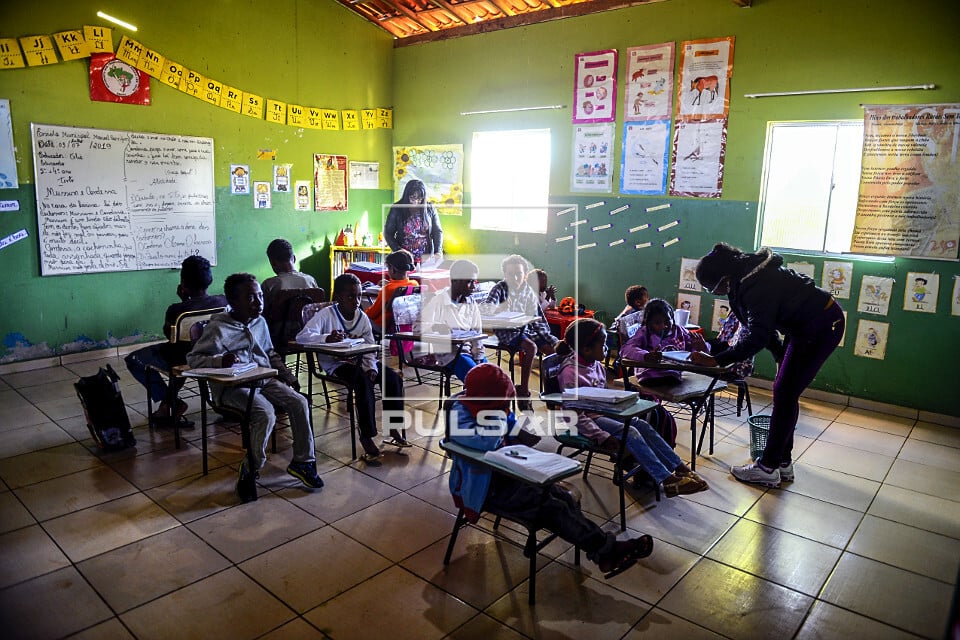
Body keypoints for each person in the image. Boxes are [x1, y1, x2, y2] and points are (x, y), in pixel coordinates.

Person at [448, 363, 654, 578]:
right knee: (553, 509)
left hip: (511, 474)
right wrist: (499, 417)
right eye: (503, 402)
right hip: (487, 488)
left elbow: (508, 426)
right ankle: (606, 550)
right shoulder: (460, 415)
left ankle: (602, 551)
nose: (506, 407)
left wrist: (519, 432)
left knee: (563, 498)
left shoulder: (490, 405)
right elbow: (486, 442)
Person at [691, 243, 845, 488]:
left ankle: (768, 467)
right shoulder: (743, 280)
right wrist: (778, 355)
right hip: (805, 327)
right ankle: (782, 462)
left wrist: (717, 360)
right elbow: (763, 327)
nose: (714, 293)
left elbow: (758, 336)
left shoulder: (756, 283)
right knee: (785, 393)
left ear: (724, 278)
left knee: (784, 394)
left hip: (821, 326)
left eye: (712, 288)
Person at [186, 273, 323, 503]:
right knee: (265, 413)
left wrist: (287, 376)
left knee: (299, 402)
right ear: (233, 302)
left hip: (263, 379)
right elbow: (194, 359)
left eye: (260, 296)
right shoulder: (218, 327)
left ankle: (303, 462)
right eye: (250, 298)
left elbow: (269, 353)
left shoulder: (260, 321)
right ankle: (250, 468)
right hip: (233, 388)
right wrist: (220, 360)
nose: (259, 302)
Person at [556, 319, 708, 496]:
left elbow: (602, 395)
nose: (606, 349)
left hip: (600, 413)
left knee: (641, 424)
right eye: (603, 344)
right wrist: (602, 436)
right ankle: (667, 480)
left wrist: (621, 403)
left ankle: (680, 468)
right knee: (631, 432)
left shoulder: (594, 364)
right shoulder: (570, 373)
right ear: (586, 349)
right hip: (584, 421)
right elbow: (572, 415)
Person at [296, 273, 408, 462]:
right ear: (338, 297)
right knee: (362, 383)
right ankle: (367, 434)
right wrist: (326, 338)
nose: (356, 301)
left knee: (392, 378)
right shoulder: (327, 315)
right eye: (350, 296)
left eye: (358, 296)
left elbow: (370, 346)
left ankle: (393, 426)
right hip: (337, 364)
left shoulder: (361, 317)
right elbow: (302, 336)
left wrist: (371, 366)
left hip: (361, 361)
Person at [125, 256, 227, 428]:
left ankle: (170, 403)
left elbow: (170, 337)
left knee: (134, 359)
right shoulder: (223, 302)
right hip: (215, 354)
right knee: (183, 353)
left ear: (183, 283)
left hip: (183, 359)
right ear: (210, 279)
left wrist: (184, 302)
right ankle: (167, 405)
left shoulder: (177, 310)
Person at [484, 254, 558, 409]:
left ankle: (553, 394)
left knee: (552, 352)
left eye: (519, 274)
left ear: (525, 275)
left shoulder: (528, 291)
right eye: (510, 274)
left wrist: (552, 340)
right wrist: (499, 308)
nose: (515, 278)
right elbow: (487, 308)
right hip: (507, 330)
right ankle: (523, 391)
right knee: (531, 347)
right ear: (504, 275)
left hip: (528, 329)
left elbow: (538, 319)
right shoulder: (500, 288)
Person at [417, 259, 486, 382]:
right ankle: (465, 399)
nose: (474, 287)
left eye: (474, 282)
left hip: (470, 351)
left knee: (493, 377)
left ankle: (468, 397)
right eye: (469, 282)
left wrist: (478, 356)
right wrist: (435, 327)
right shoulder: (437, 301)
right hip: (450, 355)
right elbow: (418, 328)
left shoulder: (471, 302)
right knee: (478, 381)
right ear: (455, 280)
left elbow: (477, 332)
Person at [619, 298, 710, 385]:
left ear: (672, 318)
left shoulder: (680, 332)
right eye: (657, 323)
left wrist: (701, 348)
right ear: (649, 323)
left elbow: (698, 350)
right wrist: (646, 356)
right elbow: (625, 350)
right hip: (649, 376)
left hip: (674, 376)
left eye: (667, 321)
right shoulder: (645, 333)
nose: (664, 326)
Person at [383, 179, 443, 262]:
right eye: (412, 198)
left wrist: (438, 251)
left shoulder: (430, 208)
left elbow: (437, 231)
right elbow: (388, 233)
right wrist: (397, 249)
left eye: (419, 199)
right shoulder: (397, 208)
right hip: (404, 258)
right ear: (406, 196)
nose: (416, 202)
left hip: (426, 258)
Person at [364, 249, 418, 334]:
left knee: (359, 316)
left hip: (382, 326)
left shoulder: (388, 289)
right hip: (401, 325)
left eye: (388, 268)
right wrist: (390, 283)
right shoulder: (414, 284)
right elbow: (400, 285)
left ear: (393, 269)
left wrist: (363, 312)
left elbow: (372, 314)